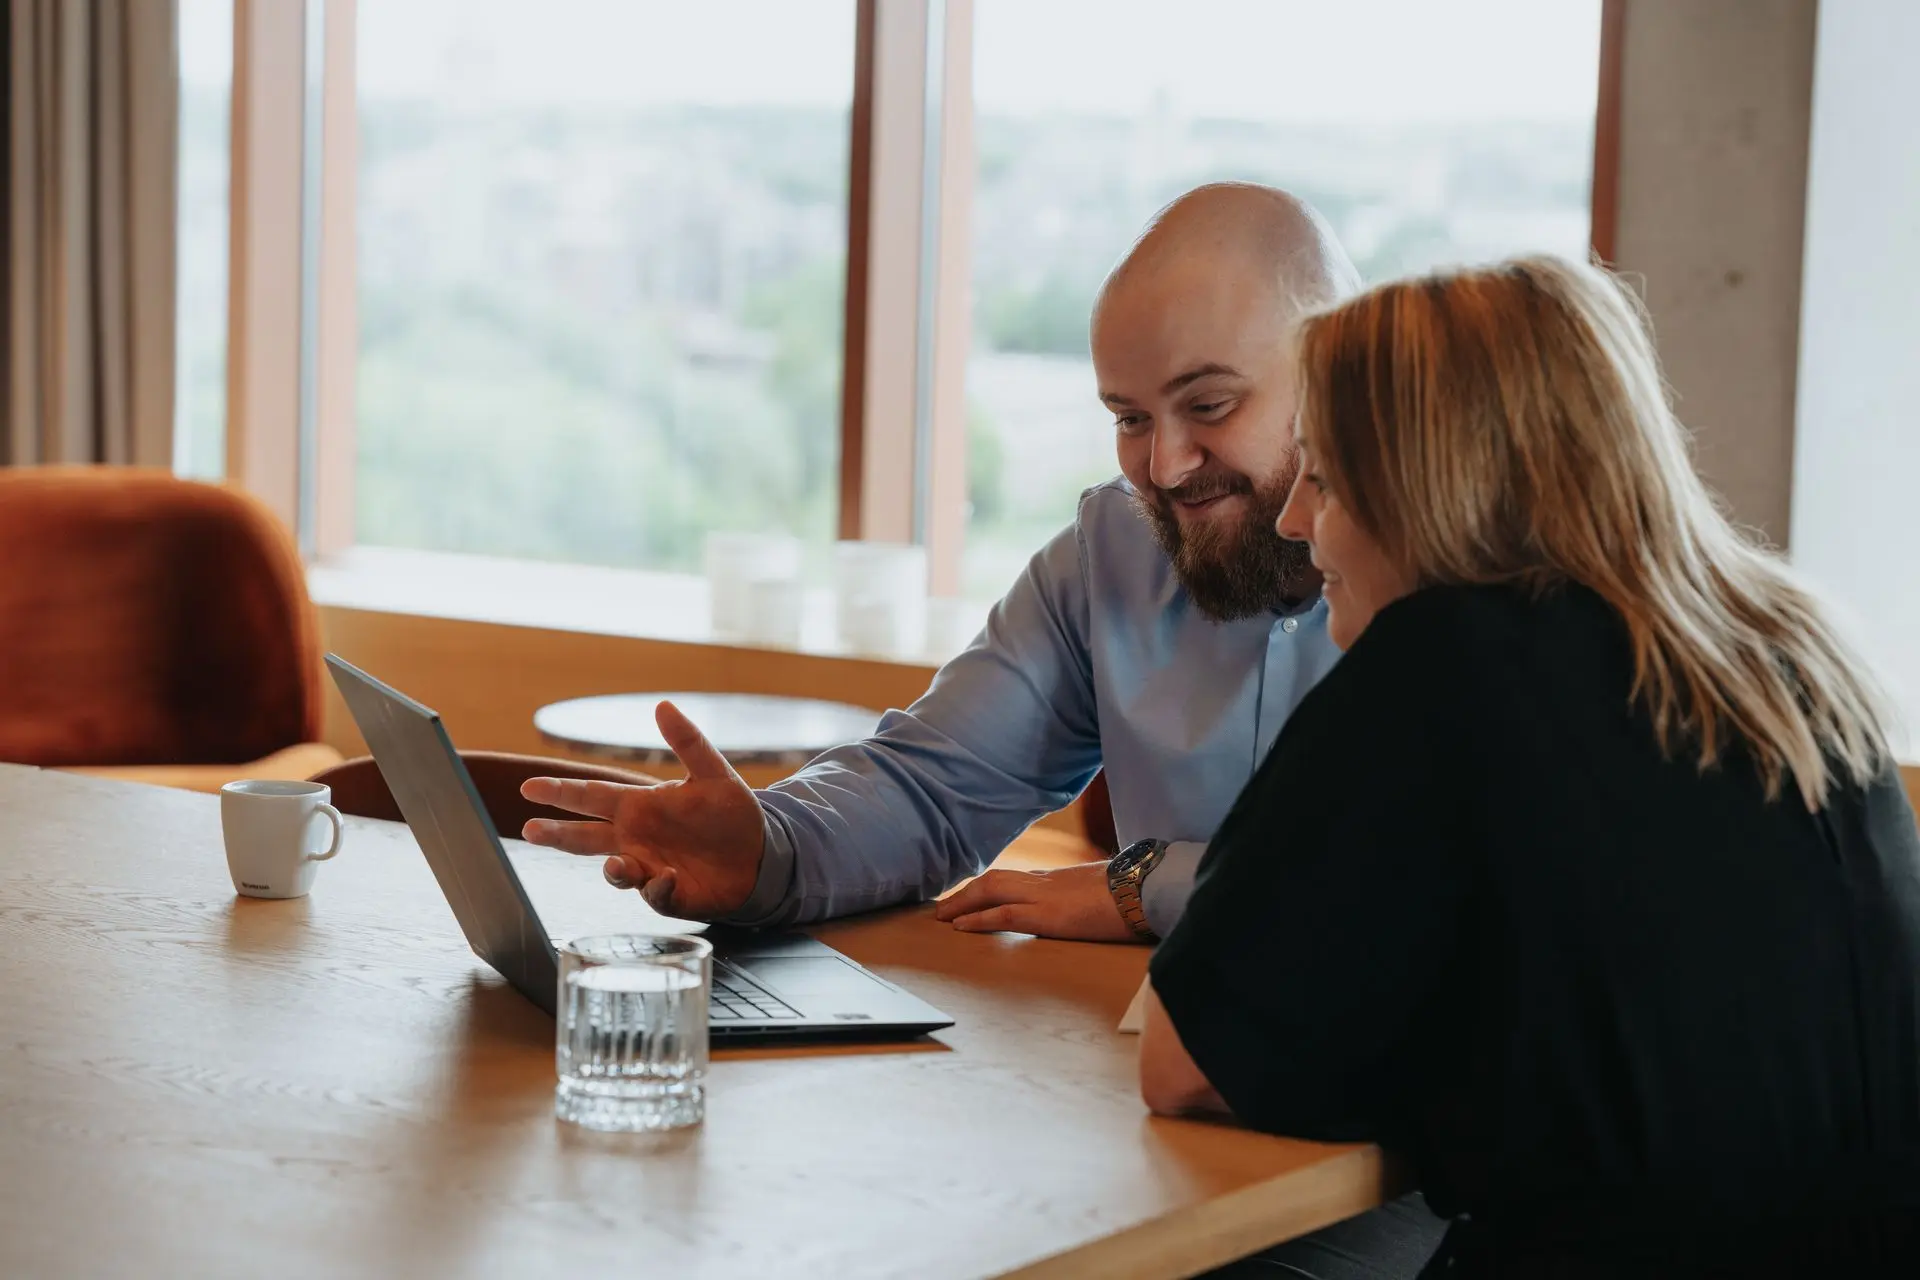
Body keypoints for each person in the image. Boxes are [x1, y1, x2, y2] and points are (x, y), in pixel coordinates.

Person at [1142, 255, 1920, 1278]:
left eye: (1324, 477)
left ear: (1424, 480)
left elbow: (1187, 1064)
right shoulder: (1793, 654)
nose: (1295, 522)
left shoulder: (1447, 655)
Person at [516, 182, 1365, 942]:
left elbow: (1426, 871)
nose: (1169, 466)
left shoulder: (1459, 568)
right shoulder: (1110, 552)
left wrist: (1144, 888)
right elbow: (933, 787)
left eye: (1209, 405)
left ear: (1336, 370)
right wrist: (771, 851)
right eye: (1131, 418)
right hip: (1148, 1064)